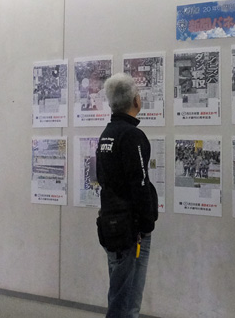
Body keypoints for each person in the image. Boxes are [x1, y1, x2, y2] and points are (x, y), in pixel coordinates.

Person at [96, 73, 158, 318]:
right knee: (126, 301)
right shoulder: (132, 135)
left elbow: (105, 179)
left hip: (112, 224)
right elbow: (139, 181)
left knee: (120, 294)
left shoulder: (107, 134)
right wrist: (147, 224)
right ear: (135, 100)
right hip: (132, 230)